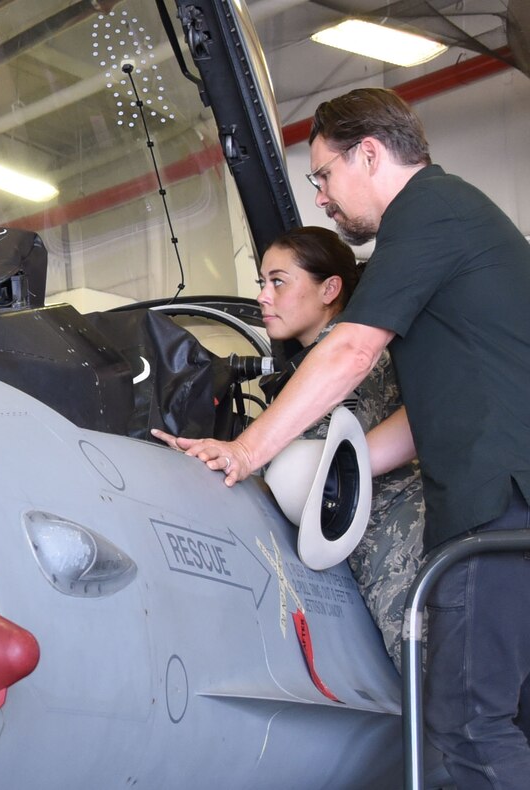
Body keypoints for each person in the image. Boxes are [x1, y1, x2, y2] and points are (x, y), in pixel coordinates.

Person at [155, 88, 530, 788]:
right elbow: (433, 414)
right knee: (500, 720)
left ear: (369, 153)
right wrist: (335, 470)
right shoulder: (457, 222)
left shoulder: (426, 214)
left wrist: (246, 450)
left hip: (496, 505)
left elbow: (352, 351)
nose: (322, 197)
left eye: (324, 175)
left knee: (466, 729)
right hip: (508, 503)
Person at [255, 226, 425, 669]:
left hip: (398, 541)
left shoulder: (347, 362)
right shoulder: (319, 365)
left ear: (330, 288)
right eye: (261, 283)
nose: (263, 296)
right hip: (374, 541)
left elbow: (311, 457)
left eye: (278, 281)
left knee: (433, 687)